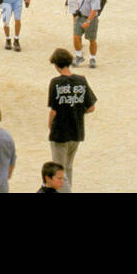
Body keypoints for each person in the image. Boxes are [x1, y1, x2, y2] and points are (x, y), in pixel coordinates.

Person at [47, 47, 97, 192]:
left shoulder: (55, 83)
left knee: (58, 172)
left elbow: (54, 110)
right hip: (77, 130)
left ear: (56, 65)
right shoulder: (81, 80)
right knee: (68, 168)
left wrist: (50, 125)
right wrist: (76, 111)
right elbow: (91, 107)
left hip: (60, 132)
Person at [72, 0, 101, 68]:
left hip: (90, 19)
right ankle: (79, 55)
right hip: (80, 17)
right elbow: (80, 4)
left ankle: (92, 58)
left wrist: (88, 21)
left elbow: (94, 9)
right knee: (76, 36)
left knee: (92, 39)